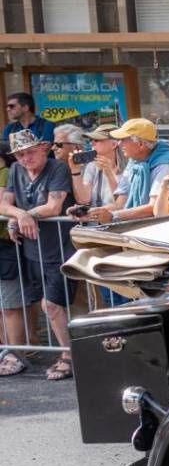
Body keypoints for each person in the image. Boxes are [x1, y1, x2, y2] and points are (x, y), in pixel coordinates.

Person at [0, 130, 76, 381]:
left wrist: (24, 215)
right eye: (20, 154)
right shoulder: (16, 170)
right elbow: (3, 203)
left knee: (51, 305)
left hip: (61, 247)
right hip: (32, 250)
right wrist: (19, 215)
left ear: (42, 149)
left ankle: (69, 356)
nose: (25, 158)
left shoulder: (57, 168)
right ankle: (61, 352)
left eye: (30, 152)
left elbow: (54, 207)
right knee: (45, 305)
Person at [79, 118, 169, 225]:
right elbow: (120, 204)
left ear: (140, 144)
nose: (119, 144)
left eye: (123, 140)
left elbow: (153, 208)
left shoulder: (165, 165)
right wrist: (90, 213)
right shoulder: (134, 160)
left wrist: (113, 216)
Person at [70, 124, 126, 211]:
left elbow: (120, 204)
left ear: (114, 144)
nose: (92, 143)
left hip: (117, 218)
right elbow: (83, 199)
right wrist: (75, 170)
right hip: (96, 218)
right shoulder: (92, 166)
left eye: (97, 140)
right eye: (91, 140)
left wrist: (109, 173)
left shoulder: (128, 168)